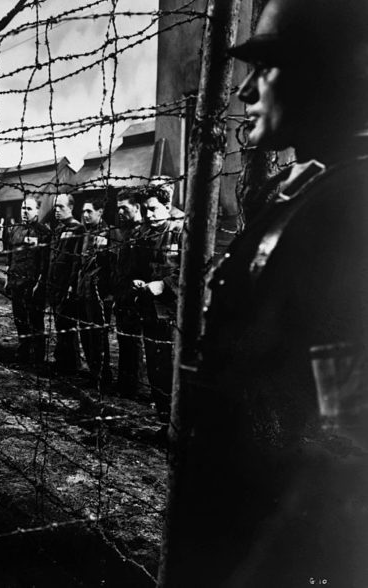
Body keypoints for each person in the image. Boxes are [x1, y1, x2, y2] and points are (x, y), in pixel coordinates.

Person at [164, 1, 368, 585]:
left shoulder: (348, 210)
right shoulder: (315, 190)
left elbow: (345, 428)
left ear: (331, 70)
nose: (245, 91)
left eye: (269, 66)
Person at [125, 184, 182, 423]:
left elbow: (199, 268)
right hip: (150, 311)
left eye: (154, 209)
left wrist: (165, 284)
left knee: (176, 370)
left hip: (176, 313)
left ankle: (178, 423)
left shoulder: (180, 230)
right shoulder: (144, 234)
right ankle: (163, 419)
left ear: (167, 207)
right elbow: (137, 267)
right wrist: (137, 281)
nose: (149, 215)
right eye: (145, 210)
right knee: (156, 369)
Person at [4, 196, 51, 364]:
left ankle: (38, 355)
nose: (25, 212)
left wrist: (39, 282)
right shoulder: (14, 229)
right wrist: (8, 276)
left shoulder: (43, 232)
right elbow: (11, 256)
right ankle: (24, 350)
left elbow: (45, 261)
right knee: (19, 318)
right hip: (16, 281)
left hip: (32, 284)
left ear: (37, 211)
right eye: (23, 208)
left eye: (29, 209)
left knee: (35, 320)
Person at [110, 192, 145, 396]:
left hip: (136, 294)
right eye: (118, 208)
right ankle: (125, 382)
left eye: (125, 208)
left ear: (137, 207)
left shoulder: (143, 232)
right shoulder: (125, 233)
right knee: (124, 339)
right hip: (122, 293)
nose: (120, 212)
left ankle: (134, 385)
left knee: (133, 341)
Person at [77, 195, 114, 388]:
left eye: (89, 211)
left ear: (100, 212)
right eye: (83, 211)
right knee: (86, 333)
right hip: (84, 290)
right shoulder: (86, 233)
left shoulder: (107, 234)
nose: (85, 215)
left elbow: (106, 266)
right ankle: (93, 372)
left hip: (99, 293)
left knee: (98, 336)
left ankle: (102, 376)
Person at [45, 193, 85, 374]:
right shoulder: (59, 229)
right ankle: (63, 360)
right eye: (55, 207)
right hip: (55, 284)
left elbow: (76, 260)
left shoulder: (77, 229)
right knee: (60, 323)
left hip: (66, 284)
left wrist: (71, 285)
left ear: (71, 207)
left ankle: (72, 364)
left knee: (67, 325)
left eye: (61, 207)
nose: (57, 210)